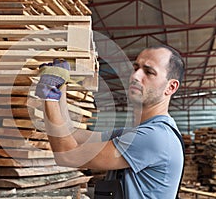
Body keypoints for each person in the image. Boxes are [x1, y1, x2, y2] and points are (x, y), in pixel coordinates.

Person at [35, 45, 185, 199]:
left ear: (170, 87)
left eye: (149, 72)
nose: (135, 76)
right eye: (136, 68)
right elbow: (69, 131)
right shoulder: (136, 133)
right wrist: (61, 85)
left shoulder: (155, 138)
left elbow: (68, 156)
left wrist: (49, 94)